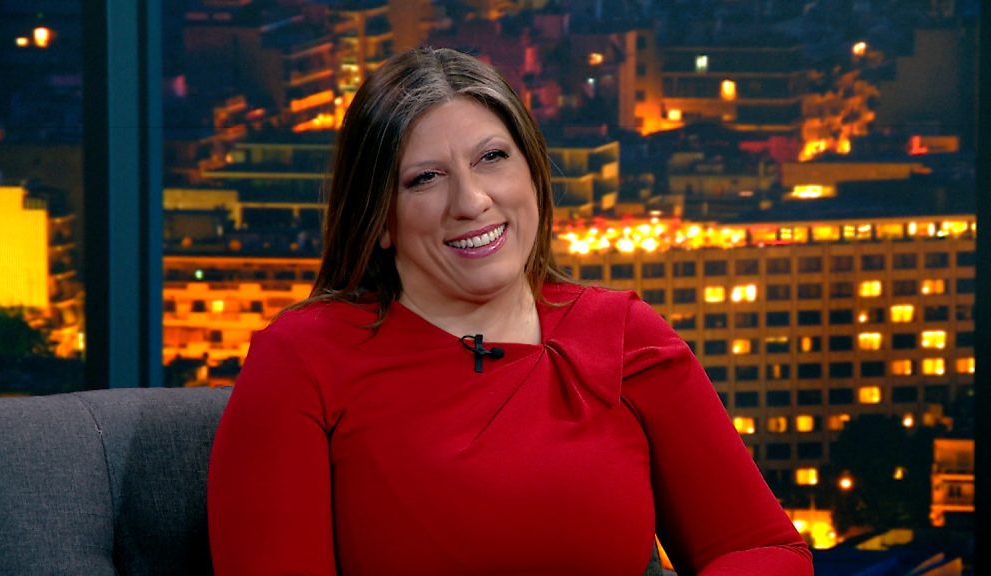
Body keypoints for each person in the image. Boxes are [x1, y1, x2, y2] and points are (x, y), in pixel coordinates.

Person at [207, 47, 813, 575]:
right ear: (380, 219)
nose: (471, 200)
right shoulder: (303, 358)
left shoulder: (625, 335)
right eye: (425, 178)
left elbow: (762, 547)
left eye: (492, 157)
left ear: (533, 174)